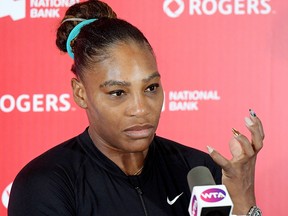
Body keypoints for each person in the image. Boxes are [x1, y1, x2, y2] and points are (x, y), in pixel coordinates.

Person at [8, 0, 264, 215]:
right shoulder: (46, 184)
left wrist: (243, 201)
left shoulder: (199, 171)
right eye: (118, 93)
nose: (141, 109)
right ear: (81, 93)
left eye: (151, 88)